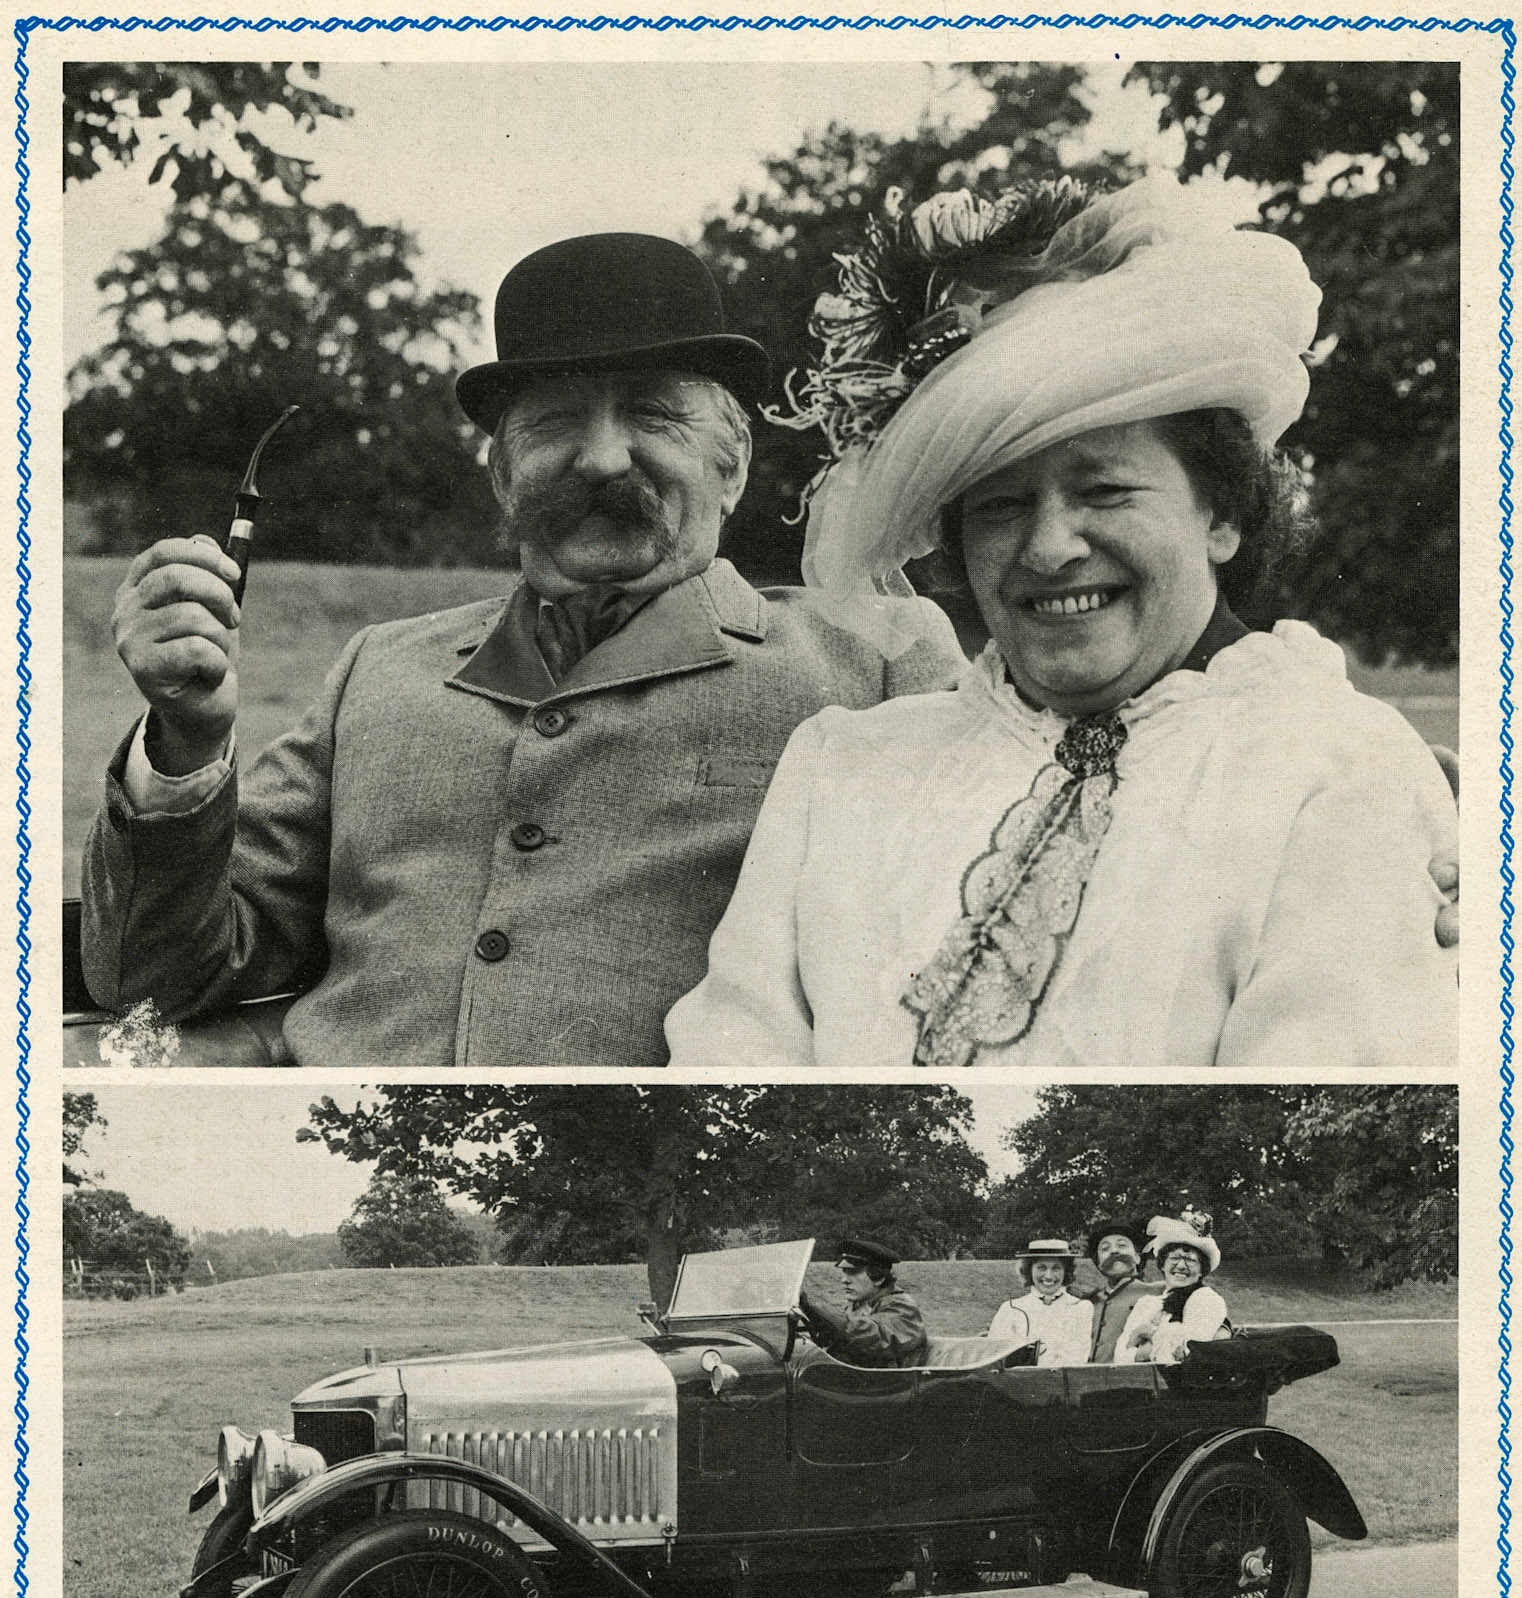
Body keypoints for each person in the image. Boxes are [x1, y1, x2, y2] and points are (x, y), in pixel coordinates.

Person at [79, 234, 964, 1066]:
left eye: (655, 413)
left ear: (731, 467)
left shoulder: (871, 668)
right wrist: (186, 743)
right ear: (502, 473)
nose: (604, 459)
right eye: (553, 423)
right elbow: (154, 986)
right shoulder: (378, 671)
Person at [665, 176, 1458, 1068]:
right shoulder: (842, 765)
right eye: (999, 506)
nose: (1048, 548)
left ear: (1222, 514)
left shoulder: (1335, 766)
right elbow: (734, 1051)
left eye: (1104, 490)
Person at [799, 1239, 928, 1370]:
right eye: (844, 1272)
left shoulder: (901, 1307)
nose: (845, 1280)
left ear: (878, 1277)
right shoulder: (860, 1306)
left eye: (853, 1272)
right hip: (855, 1381)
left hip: (889, 1385)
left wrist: (813, 1307)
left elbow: (870, 1337)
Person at [1115, 1222, 1230, 1364]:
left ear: (1202, 1270)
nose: (1181, 1266)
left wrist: (1144, 1334)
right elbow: (1119, 1357)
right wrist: (1154, 1342)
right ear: (1163, 1265)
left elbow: (1187, 1352)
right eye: (1174, 1258)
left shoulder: (1206, 1299)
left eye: (1190, 1260)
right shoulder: (1146, 1303)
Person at [987, 1237, 1093, 1362]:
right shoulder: (1010, 1309)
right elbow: (994, 1357)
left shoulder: (1081, 1308)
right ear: (1029, 1270)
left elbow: (1078, 1357)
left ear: (1066, 1271)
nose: (1048, 1276)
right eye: (1041, 1268)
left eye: (1056, 1268)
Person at [1085, 1219, 1159, 1364]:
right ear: (1099, 1264)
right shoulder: (1089, 1301)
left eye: (1122, 1245)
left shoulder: (1157, 1292)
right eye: (1105, 1249)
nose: (1114, 1251)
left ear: (1138, 1257)